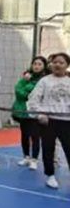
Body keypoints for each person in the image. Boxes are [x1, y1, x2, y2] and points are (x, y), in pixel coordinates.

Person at [27, 52, 70, 189]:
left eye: (61, 62)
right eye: (55, 62)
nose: (57, 64)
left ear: (67, 65)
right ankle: (50, 176)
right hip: (48, 121)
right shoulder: (45, 81)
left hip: (66, 121)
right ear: (51, 64)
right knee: (48, 149)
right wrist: (40, 114)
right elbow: (33, 99)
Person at [12, 56, 48, 170]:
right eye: (35, 64)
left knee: (35, 136)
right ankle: (26, 157)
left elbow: (32, 95)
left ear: (44, 66)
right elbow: (18, 91)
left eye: (39, 64)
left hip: (35, 112)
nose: (36, 66)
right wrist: (25, 81)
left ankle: (34, 160)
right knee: (24, 135)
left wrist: (25, 92)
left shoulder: (44, 80)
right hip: (23, 111)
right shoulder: (27, 77)